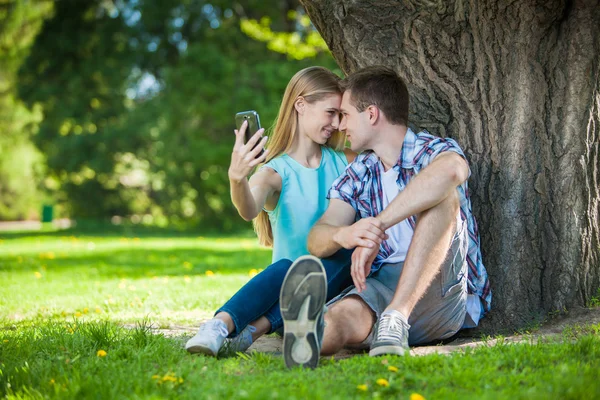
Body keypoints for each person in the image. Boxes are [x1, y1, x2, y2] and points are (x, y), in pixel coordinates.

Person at [279, 66, 492, 367]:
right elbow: (317, 237)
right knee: (339, 317)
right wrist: (344, 235)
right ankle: (305, 336)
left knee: (446, 196)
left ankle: (396, 317)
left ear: (372, 114)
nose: (340, 126)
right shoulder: (360, 172)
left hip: (440, 290)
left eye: (346, 115)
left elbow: (452, 171)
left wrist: (379, 224)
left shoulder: (432, 150)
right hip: (381, 286)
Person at [185, 66, 365, 358]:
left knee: (347, 250)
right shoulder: (275, 171)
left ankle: (251, 331)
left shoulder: (347, 161)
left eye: (340, 116)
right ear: (300, 104)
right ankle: (218, 326)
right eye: (330, 112)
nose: (336, 123)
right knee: (288, 268)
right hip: (286, 310)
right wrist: (236, 179)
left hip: (334, 299)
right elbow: (248, 209)